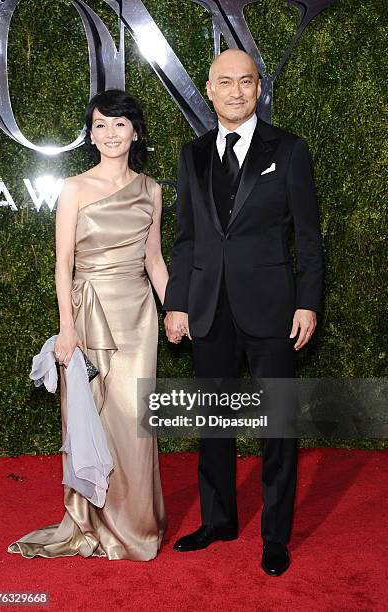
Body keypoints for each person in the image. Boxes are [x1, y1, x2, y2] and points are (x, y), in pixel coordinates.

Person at [164, 49, 323, 576]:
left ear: (259, 89)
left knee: (277, 425)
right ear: (209, 90)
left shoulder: (291, 150)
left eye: (246, 82)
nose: (236, 91)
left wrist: (307, 301)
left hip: (273, 307)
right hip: (208, 308)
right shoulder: (193, 155)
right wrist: (178, 303)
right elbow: (186, 239)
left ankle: (275, 536)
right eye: (225, 82)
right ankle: (219, 521)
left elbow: (308, 236)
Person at [8, 89, 168, 561]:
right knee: (92, 421)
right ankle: (91, 522)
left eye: (119, 124)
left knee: (136, 426)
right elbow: (63, 264)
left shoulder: (151, 190)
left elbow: (155, 260)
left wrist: (179, 309)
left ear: (134, 131)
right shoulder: (74, 187)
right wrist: (67, 327)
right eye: (100, 124)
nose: (110, 133)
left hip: (137, 318)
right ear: (91, 134)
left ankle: (136, 524)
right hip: (87, 315)